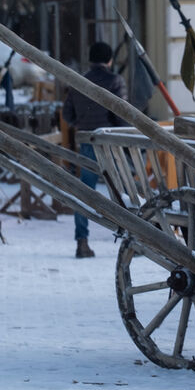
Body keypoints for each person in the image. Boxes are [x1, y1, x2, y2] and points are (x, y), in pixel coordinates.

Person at [62, 41, 128, 258]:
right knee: (121, 192)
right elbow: (121, 114)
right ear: (109, 60)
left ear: (90, 59)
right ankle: (131, 238)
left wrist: (82, 122)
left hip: (87, 140)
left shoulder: (78, 82)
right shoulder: (115, 81)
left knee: (85, 193)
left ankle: (82, 241)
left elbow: (67, 115)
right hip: (110, 141)